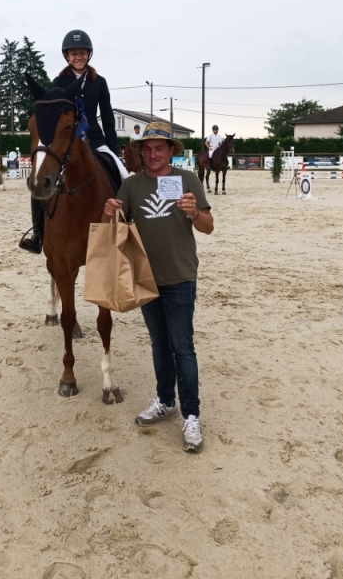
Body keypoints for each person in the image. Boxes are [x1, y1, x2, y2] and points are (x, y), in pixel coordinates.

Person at [102, 120, 213, 453]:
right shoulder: (132, 185)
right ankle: (166, 400)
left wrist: (195, 214)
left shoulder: (187, 179)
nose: (152, 154)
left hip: (180, 275)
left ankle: (191, 414)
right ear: (141, 152)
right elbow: (116, 226)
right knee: (159, 345)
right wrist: (108, 211)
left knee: (183, 346)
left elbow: (208, 227)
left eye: (159, 148)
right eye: (147, 149)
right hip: (146, 277)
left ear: (171, 151)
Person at [19, 29, 128, 254]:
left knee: (123, 175)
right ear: (66, 56)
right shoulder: (59, 81)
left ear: (89, 55)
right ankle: (38, 234)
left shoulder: (99, 82)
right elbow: (52, 116)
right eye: (73, 53)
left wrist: (114, 151)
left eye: (82, 53)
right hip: (67, 142)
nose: (78, 57)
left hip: (95, 140)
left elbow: (107, 118)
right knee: (41, 181)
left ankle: (127, 224)